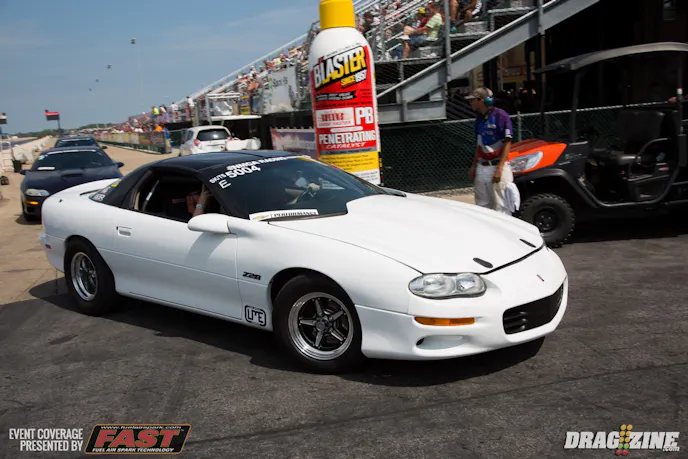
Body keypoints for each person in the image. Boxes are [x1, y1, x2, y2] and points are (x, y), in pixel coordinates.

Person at [466, 87, 515, 215]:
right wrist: (474, 166)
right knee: (482, 207)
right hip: (482, 166)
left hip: (497, 165)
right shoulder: (479, 118)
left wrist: (500, 168)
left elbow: (507, 143)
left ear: (482, 100)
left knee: (502, 206)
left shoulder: (501, 116)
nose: (471, 103)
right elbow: (479, 144)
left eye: (473, 100)